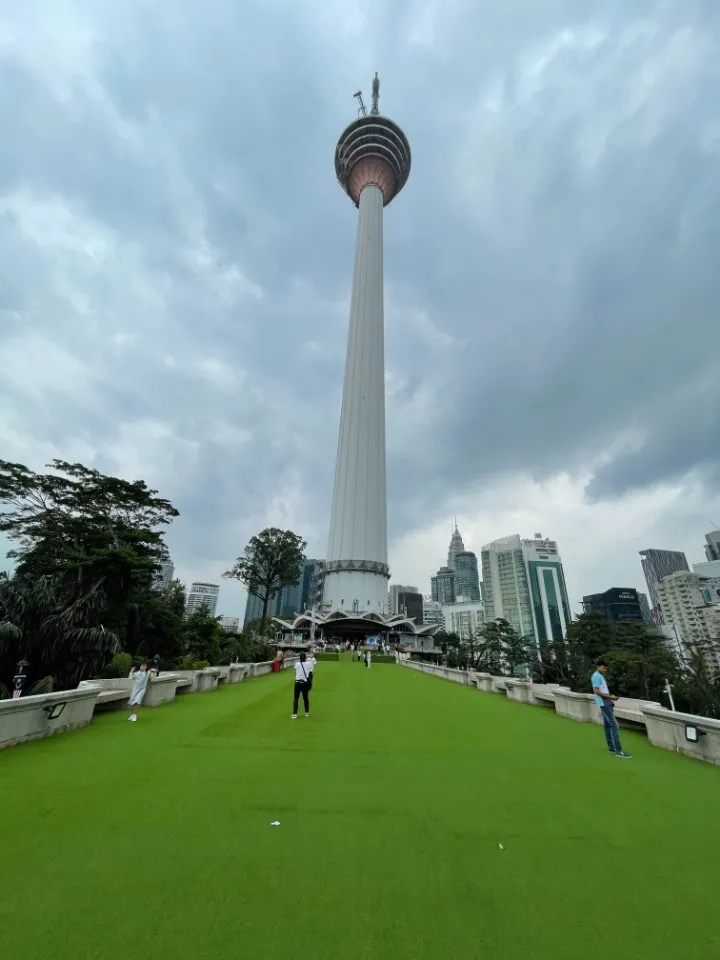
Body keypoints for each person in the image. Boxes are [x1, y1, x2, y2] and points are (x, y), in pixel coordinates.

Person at [591, 660, 631, 758]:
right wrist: (610, 698)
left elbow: (603, 690)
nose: (605, 670)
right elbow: (596, 691)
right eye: (603, 668)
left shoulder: (600, 676)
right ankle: (619, 751)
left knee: (607, 725)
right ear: (598, 666)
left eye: (605, 668)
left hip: (606, 702)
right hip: (604, 703)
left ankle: (611, 748)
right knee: (615, 725)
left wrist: (610, 698)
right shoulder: (596, 676)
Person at [291, 652, 311, 719]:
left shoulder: (297, 664)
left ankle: (295, 714)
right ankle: (307, 712)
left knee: (296, 698)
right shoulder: (309, 664)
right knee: (305, 698)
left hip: (298, 682)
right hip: (305, 683)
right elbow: (310, 672)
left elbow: (296, 670)